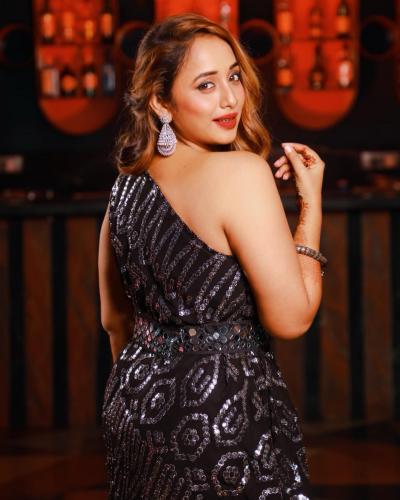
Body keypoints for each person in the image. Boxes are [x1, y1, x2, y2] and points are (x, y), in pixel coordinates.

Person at [98, 12, 326, 500]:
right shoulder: (242, 173)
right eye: (206, 85)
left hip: (132, 409)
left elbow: (114, 320)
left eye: (234, 77)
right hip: (222, 414)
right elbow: (292, 319)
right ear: (160, 101)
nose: (230, 99)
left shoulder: (124, 187)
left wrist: (151, 396)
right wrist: (311, 207)